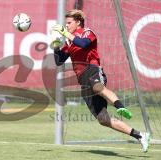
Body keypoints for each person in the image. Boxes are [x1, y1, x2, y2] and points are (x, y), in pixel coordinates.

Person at [51, 9, 150, 152]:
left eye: (69, 23)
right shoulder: (68, 42)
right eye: (65, 24)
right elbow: (59, 61)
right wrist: (55, 46)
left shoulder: (87, 32)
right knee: (103, 119)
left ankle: (120, 106)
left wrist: (65, 33)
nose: (66, 26)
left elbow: (83, 44)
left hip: (92, 69)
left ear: (78, 22)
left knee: (97, 87)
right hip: (82, 80)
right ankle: (140, 135)